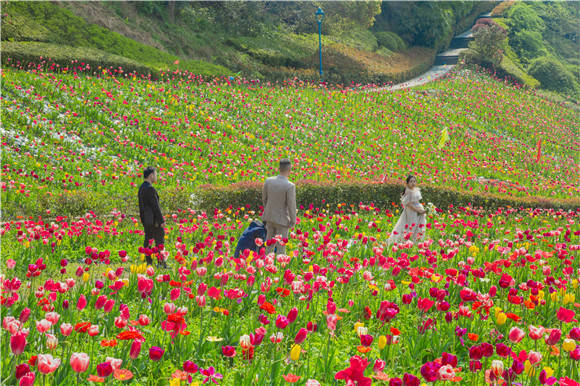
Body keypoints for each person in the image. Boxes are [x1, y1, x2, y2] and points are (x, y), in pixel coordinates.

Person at [262, 158, 297, 255]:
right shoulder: (290, 186)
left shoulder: (268, 181)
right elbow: (291, 205)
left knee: (269, 246)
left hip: (269, 217)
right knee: (281, 249)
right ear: (290, 170)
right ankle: (280, 269)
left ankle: (266, 266)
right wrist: (293, 221)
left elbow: (264, 199)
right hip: (282, 221)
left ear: (279, 168)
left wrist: (268, 210)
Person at [386, 175, 427, 245]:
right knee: (411, 225)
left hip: (418, 210)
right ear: (407, 183)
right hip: (411, 211)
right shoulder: (408, 191)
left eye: (414, 181)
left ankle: (415, 241)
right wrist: (418, 210)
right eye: (411, 181)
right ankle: (407, 241)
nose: (413, 183)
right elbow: (408, 204)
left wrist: (421, 209)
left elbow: (416, 201)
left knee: (418, 225)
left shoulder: (415, 189)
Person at [138, 166, 166, 266]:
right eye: (156, 174)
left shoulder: (141, 188)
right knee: (159, 241)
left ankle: (149, 261)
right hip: (154, 220)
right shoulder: (150, 189)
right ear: (151, 175)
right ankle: (161, 262)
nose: (156, 177)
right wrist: (161, 220)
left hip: (146, 219)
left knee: (148, 240)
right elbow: (156, 206)